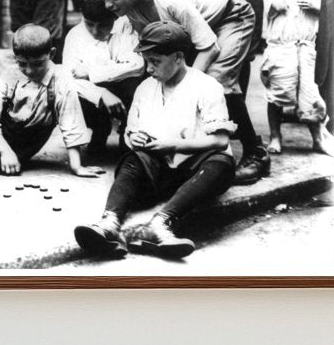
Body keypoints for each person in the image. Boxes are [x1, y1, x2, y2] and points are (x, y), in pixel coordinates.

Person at [87, 0, 270, 184]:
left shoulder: (171, 1)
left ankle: (256, 153)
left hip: (232, 15)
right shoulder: (130, 8)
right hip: (199, 25)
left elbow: (209, 47)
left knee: (217, 83)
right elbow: (157, 54)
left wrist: (187, 87)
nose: (108, 5)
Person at [74, 22, 236, 260]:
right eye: (146, 61)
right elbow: (131, 132)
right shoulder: (145, 88)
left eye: (155, 61)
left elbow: (221, 140)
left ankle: (161, 223)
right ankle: (109, 224)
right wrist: (133, 138)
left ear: (179, 57)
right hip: (158, 170)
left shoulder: (206, 86)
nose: (148, 68)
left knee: (222, 163)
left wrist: (174, 145)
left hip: (193, 169)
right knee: (132, 159)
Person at [0, 24, 105, 178]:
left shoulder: (61, 80)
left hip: (21, 146)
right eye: (22, 64)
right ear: (15, 58)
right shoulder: (11, 74)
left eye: (38, 64)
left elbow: (71, 124)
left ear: (52, 54)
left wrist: (77, 167)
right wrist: (5, 151)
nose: (30, 70)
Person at [260, 0, 331, 154]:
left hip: (306, 47)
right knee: (277, 95)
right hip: (280, 49)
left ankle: (318, 138)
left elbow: (327, 13)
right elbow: (275, 7)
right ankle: (275, 135)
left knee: (310, 96)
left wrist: (315, 6)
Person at [61, 0, 144, 156]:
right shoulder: (75, 36)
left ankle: (128, 132)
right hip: (94, 93)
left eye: (103, 25)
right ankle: (100, 131)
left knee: (136, 87)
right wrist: (102, 94)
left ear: (115, 16)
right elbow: (69, 79)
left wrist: (92, 72)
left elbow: (136, 65)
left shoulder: (126, 28)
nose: (95, 31)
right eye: (89, 24)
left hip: (123, 88)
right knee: (71, 94)